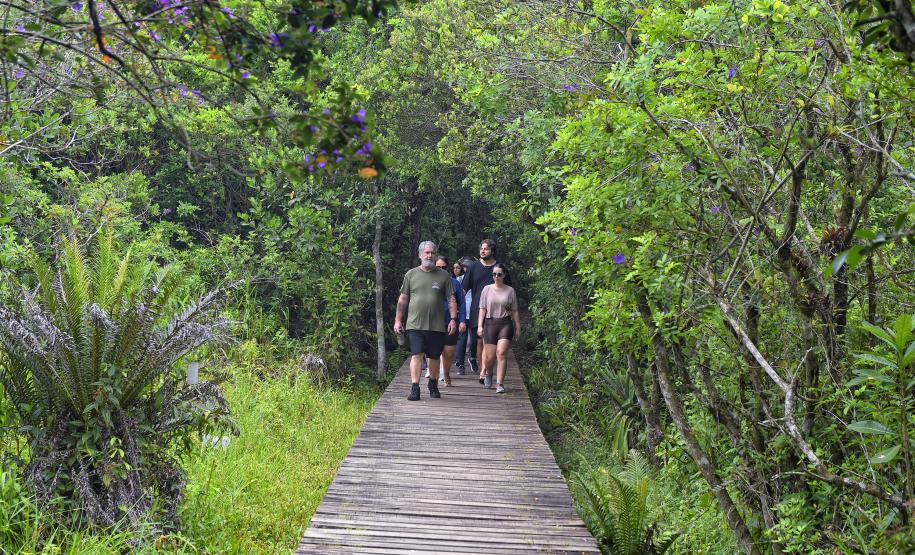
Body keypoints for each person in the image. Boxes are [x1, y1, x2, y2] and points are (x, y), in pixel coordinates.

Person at [394, 241, 458, 401]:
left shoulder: (444, 276)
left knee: (434, 356)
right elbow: (403, 299)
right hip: (415, 324)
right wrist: (397, 320)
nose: (430, 255)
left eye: (432, 253)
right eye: (427, 252)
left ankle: (433, 384)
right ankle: (415, 388)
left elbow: (451, 298)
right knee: (416, 354)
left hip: (437, 325)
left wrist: (453, 319)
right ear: (420, 255)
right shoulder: (411, 274)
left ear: (436, 255)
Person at [463, 239, 510, 388]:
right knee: (480, 340)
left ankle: (485, 371)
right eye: (481, 249)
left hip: (497, 311)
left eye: (486, 249)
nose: (483, 251)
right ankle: (484, 370)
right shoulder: (473, 267)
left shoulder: (499, 267)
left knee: (489, 343)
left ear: (492, 251)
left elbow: (509, 288)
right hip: (478, 308)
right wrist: (458, 309)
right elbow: (464, 289)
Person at [477, 263, 521, 394]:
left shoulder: (510, 291)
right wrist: (480, 326)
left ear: (504, 275)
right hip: (490, 323)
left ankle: (500, 383)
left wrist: (518, 327)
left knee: (501, 353)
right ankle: (489, 373)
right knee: (489, 358)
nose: (496, 276)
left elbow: (515, 311)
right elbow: (482, 308)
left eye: (499, 274)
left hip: (505, 324)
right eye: (494, 274)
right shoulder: (487, 289)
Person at [435, 256, 466, 386]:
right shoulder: (429, 281)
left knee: (448, 353)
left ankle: (446, 373)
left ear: (448, 268)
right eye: (438, 267)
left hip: (450, 321)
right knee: (434, 352)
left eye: (444, 267)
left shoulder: (454, 283)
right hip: (433, 322)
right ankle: (434, 379)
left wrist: (462, 321)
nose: (441, 269)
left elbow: (462, 303)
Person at [452, 257, 473, 375]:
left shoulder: (476, 279)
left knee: (474, 339)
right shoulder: (458, 280)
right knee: (462, 338)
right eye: (465, 267)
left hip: (475, 311)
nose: (466, 269)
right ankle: (460, 363)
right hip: (463, 312)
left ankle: (472, 357)